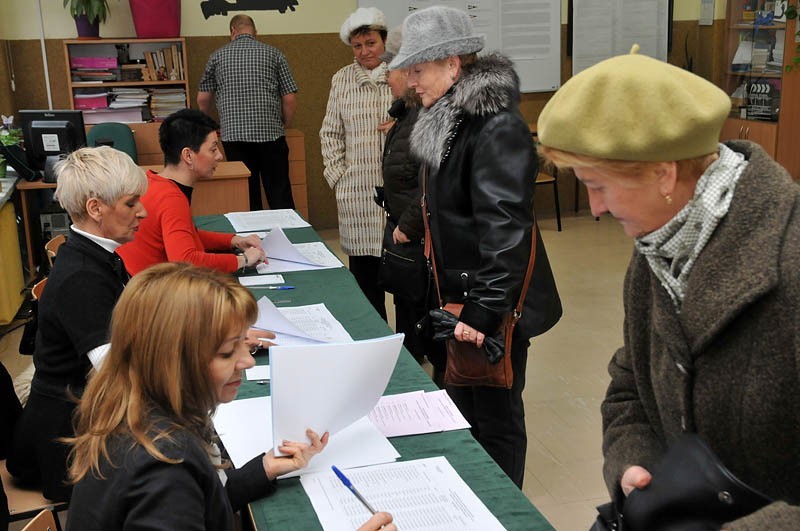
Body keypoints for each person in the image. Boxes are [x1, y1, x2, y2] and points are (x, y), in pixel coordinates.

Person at [537, 46, 800, 527]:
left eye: (598, 184)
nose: (594, 208)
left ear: (663, 173)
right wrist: (634, 464)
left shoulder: (789, 262)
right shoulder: (662, 246)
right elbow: (630, 384)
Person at [65, 263, 394, 531]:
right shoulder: (164, 469)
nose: (248, 361)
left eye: (243, 343)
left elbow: (205, 502)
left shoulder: (138, 414)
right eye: (226, 352)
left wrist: (263, 469)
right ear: (173, 362)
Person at [390, 6, 562, 488]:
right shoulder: (445, 118)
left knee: (497, 422)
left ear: (453, 64)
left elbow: (506, 233)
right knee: (465, 416)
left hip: (491, 307)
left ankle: (501, 511)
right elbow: (437, 204)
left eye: (418, 69)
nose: (410, 81)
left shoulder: (494, 127)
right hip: (458, 302)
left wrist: (480, 318)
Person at [7, 146, 148, 502]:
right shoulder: (82, 278)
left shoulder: (96, 255)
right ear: (95, 208)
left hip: (82, 416)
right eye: (131, 204)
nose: (142, 212)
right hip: (69, 439)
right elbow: (119, 373)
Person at [117, 109, 266, 276]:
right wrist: (243, 260)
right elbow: (185, 260)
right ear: (188, 155)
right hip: (156, 292)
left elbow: (186, 235)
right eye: (213, 149)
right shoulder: (171, 198)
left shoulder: (151, 181)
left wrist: (234, 241)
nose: (219, 156)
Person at [379, 27, 444, 380]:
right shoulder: (405, 113)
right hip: (405, 235)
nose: (386, 78)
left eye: (390, 70)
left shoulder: (426, 117)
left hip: (415, 237)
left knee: (420, 317)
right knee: (406, 311)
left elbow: (430, 184)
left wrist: (407, 225)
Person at [320, 6, 393, 321]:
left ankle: (412, 350)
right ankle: (375, 340)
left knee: (404, 276)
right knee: (365, 278)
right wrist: (339, 178)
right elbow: (330, 133)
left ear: (384, 41)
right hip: (357, 195)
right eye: (358, 46)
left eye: (371, 43)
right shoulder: (342, 79)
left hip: (398, 194)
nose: (365, 52)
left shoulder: (402, 74)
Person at [198, 14, 298, 211]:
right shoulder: (275, 54)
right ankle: (290, 236)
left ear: (232, 32)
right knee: (279, 192)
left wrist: (213, 125)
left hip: (234, 136)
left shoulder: (217, 56)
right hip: (271, 135)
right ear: (255, 32)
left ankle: (252, 240)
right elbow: (289, 98)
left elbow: (203, 99)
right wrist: (284, 123)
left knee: (246, 193)